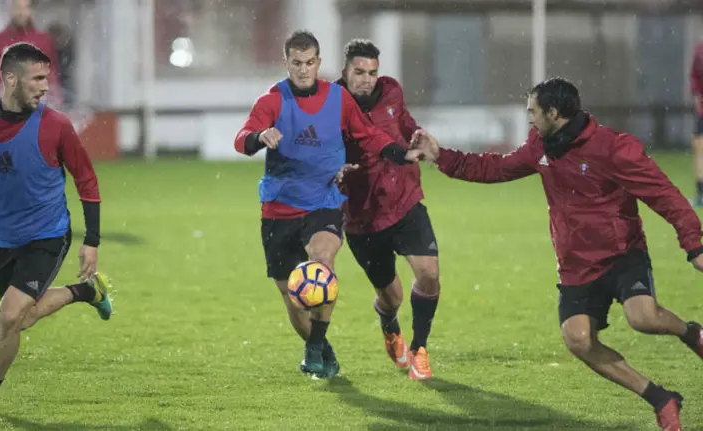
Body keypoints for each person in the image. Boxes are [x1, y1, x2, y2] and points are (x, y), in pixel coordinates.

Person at [413, 77, 703, 430]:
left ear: (553, 113)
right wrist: (441, 156)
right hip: (575, 264)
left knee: (644, 318)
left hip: (621, 253)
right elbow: (495, 168)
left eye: (533, 111)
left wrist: (694, 244)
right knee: (578, 340)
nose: (529, 118)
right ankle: (660, 398)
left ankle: (692, 334)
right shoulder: (540, 146)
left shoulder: (613, 147)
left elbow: (663, 194)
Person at [234, 30, 423, 379]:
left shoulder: (338, 98)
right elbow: (241, 139)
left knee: (321, 263)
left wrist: (399, 153)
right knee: (292, 296)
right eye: (297, 63)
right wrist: (259, 137)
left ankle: (315, 343)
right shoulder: (272, 100)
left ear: (319, 62)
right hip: (278, 209)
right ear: (286, 62)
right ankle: (321, 347)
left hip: (323, 202)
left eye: (310, 63)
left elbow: (368, 134)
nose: (303, 70)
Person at [0, 42, 112, 414]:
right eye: (36, 79)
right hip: (2, 240)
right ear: (10, 79)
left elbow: (86, 179)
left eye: (46, 78)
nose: (44, 86)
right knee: (19, 320)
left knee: (8, 317)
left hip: (47, 235)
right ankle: (85, 292)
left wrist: (91, 240)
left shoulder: (56, 125)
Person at [336, 39, 439, 380]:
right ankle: (389, 324)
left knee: (429, 274)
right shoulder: (330, 104)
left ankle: (420, 349)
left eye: (372, 73)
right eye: (359, 72)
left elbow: (405, 123)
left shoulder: (391, 91)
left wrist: (418, 136)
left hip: (404, 200)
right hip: (361, 216)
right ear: (345, 71)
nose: (367, 80)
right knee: (391, 296)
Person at [0, 0, 61, 106]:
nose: (21, 12)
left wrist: (52, 98)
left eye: (25, 8)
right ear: (10, 9)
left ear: (31, 10)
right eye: (17, 7)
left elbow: (51, 76)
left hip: (37, 107)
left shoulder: (44, 41)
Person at [689, 40, 703, 206]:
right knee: (698, 147)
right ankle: (700, 193)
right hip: (702, 111)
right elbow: (694, 76)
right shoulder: (699, 50)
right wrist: (696, 97)